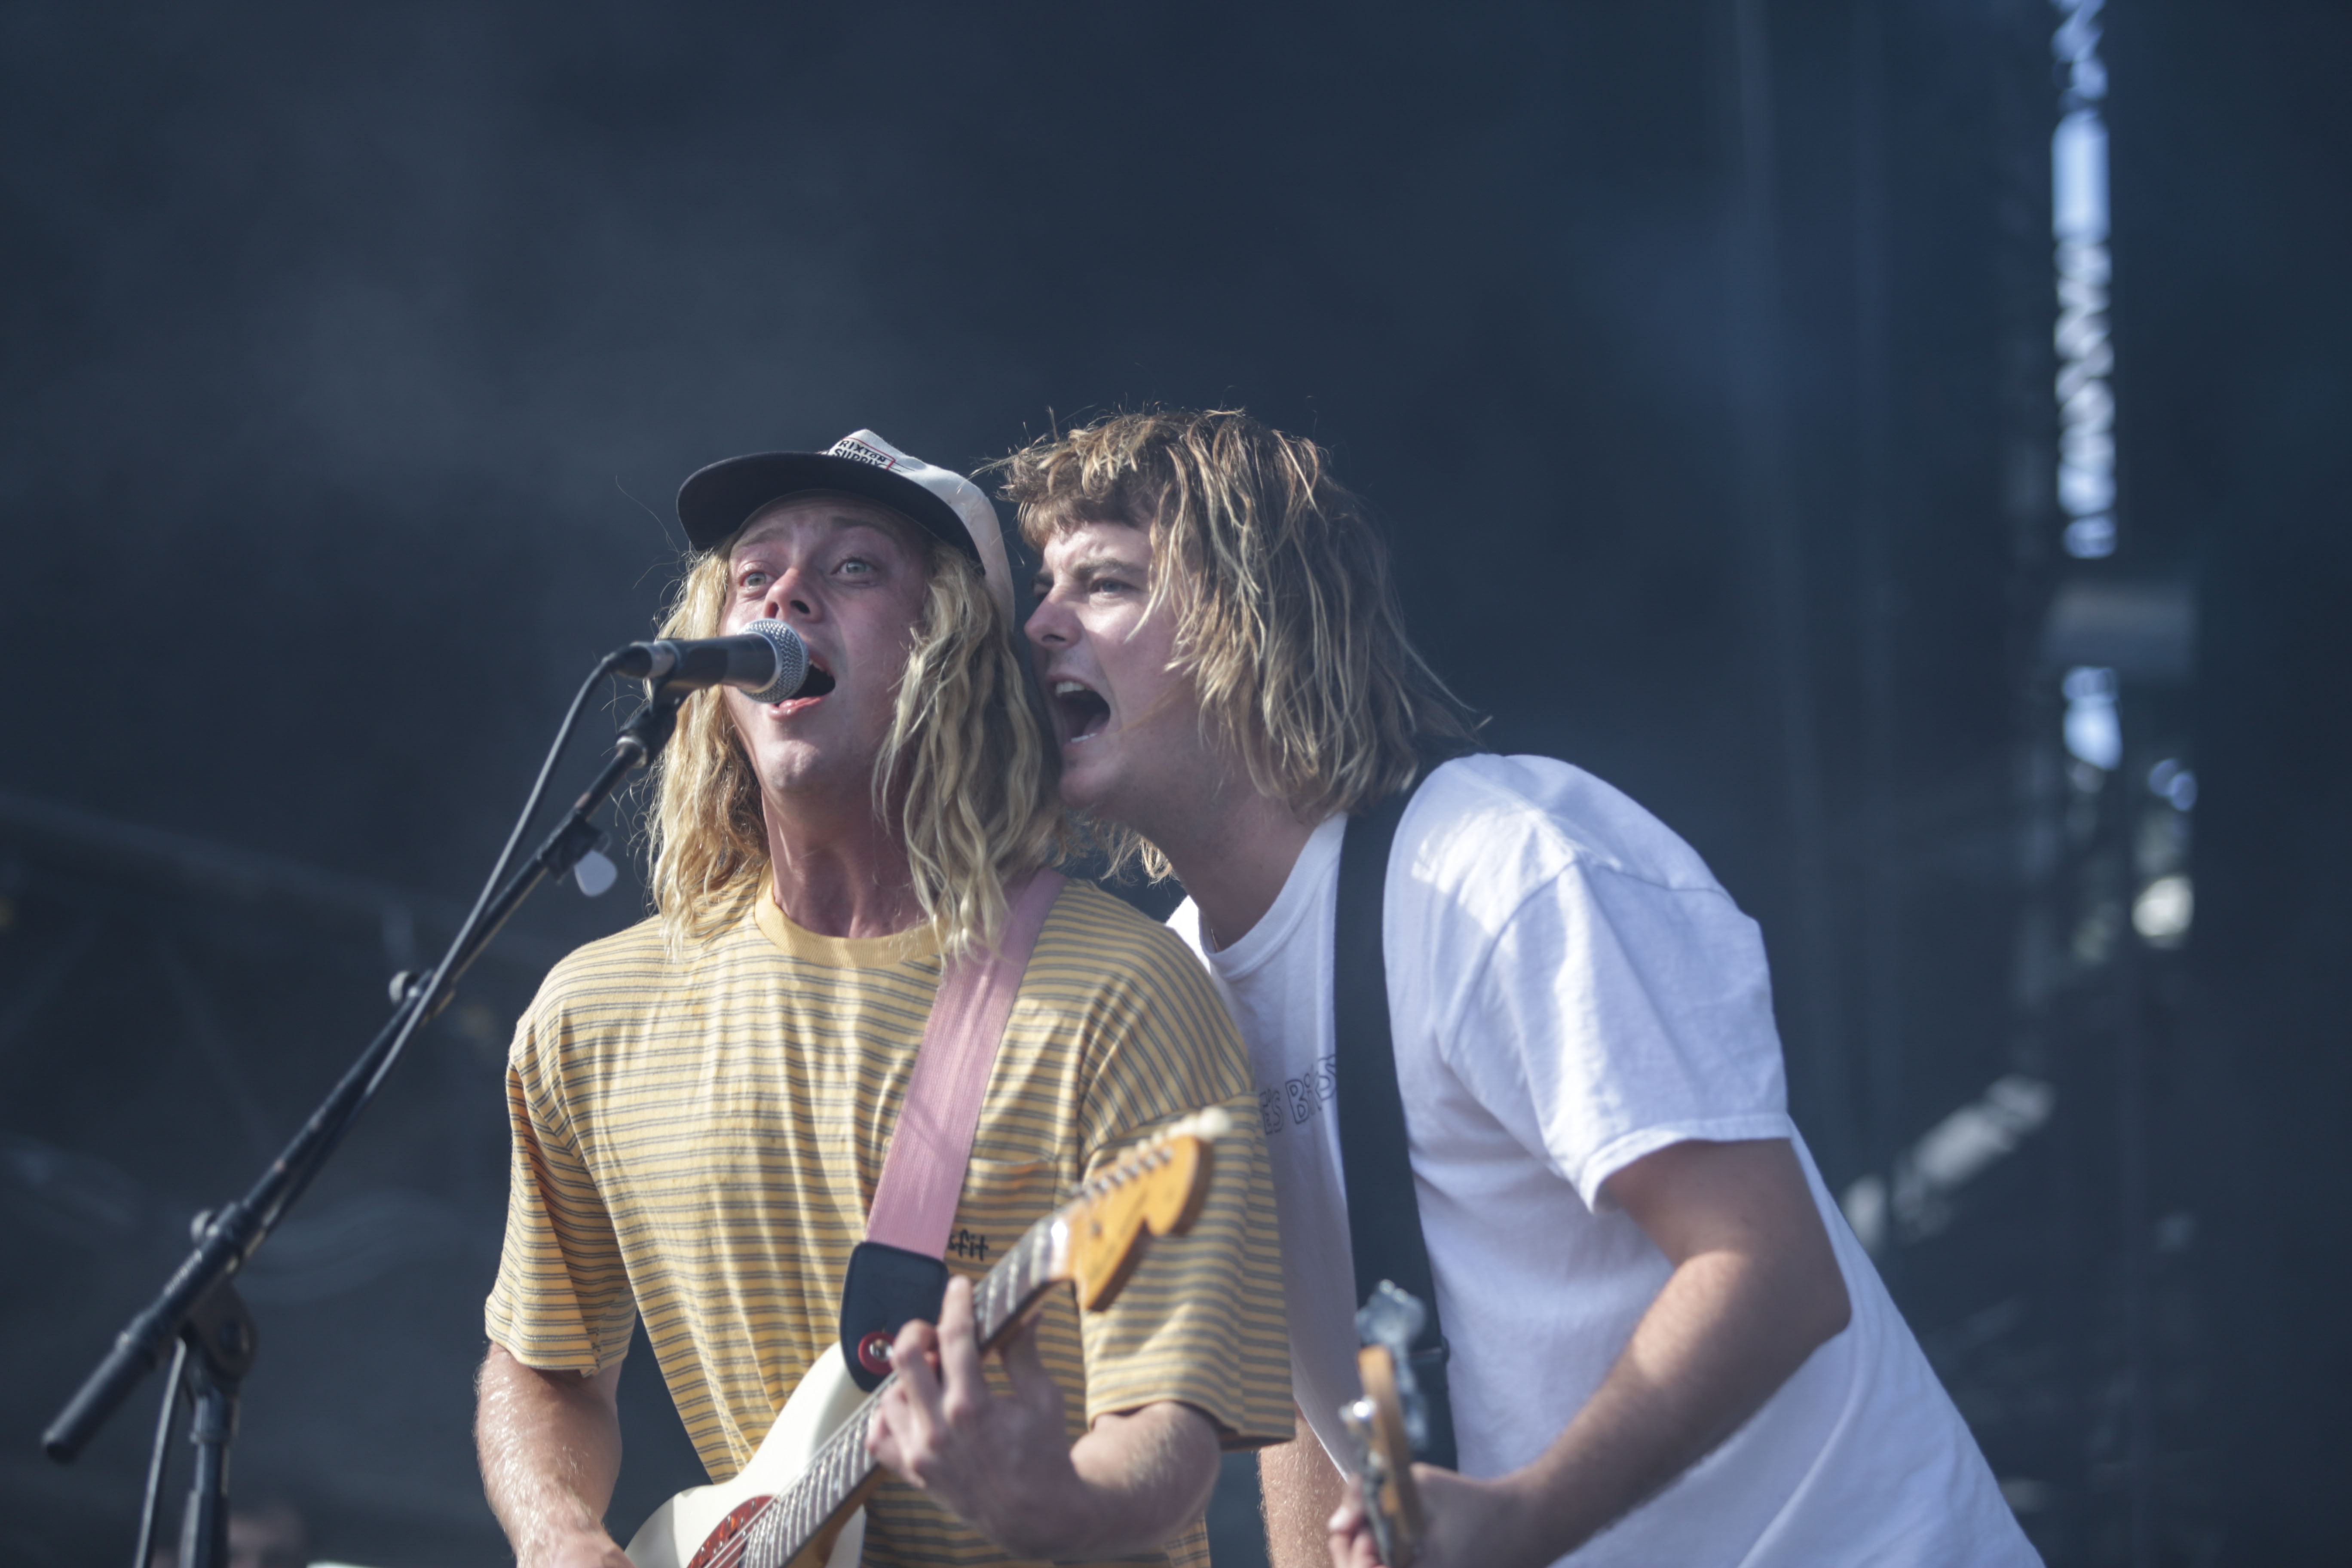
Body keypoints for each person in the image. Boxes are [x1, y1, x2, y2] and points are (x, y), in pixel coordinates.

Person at [1001, 409, 2040, 1568]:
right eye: (1043, 588)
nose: (1039, 624)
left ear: (1253, 624)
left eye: (1104, 582)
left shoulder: (1505, 867)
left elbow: (1771, 1270)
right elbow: (1318, 1391)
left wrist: (1531, 1517)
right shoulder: (1177, 984)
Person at [475, 430, 1291, 1568]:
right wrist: (557, 1533)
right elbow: (545, 1366)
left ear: (950, 655)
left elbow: (1170, 1433)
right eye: (754, 575)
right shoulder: (593, 1014)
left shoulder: (1116, 993)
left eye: (855, 567)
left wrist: (1046, 1503)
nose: (787, 594)